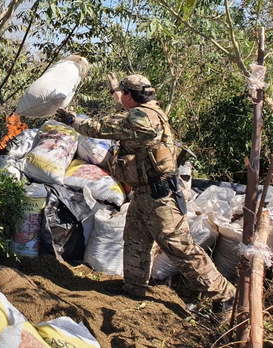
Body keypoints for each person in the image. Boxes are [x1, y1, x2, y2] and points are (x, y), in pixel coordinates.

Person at [56, 74, 236, 313]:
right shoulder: (147, 111)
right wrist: (116, 94)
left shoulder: (142, 120)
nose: (122, 98)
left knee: (180, 247)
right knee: (135, 242)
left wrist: (72, 120)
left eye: (124, 94)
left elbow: (102, 127)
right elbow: (127, 112)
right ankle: (133, 289)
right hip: (144, 195)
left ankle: (225, 294)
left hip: (161, 199)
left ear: (131, 96)